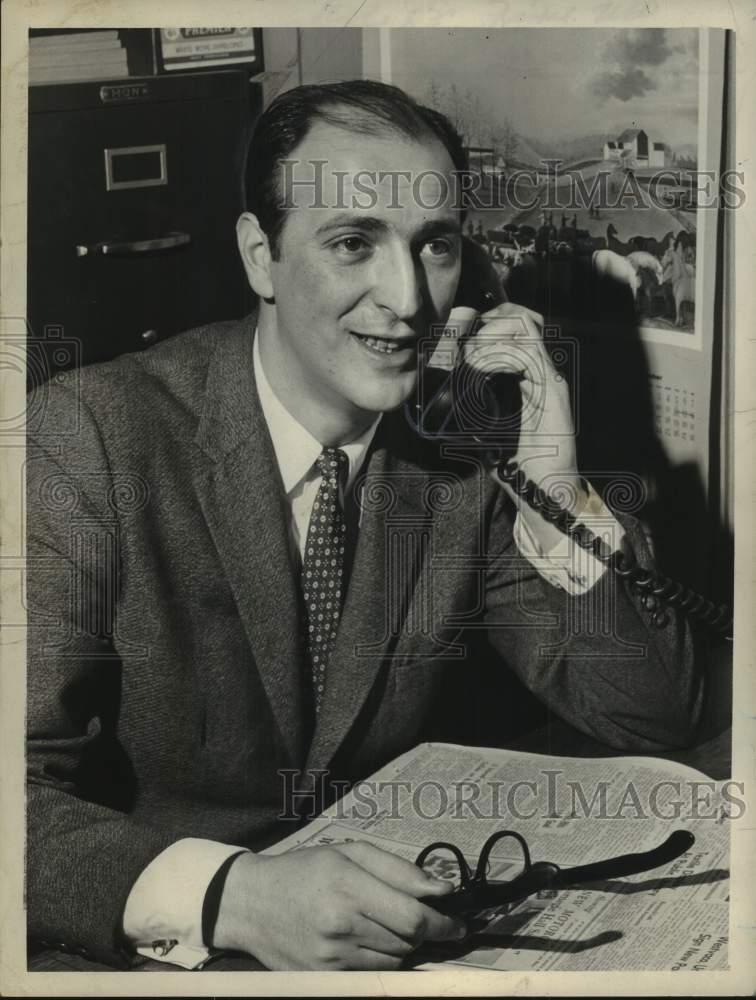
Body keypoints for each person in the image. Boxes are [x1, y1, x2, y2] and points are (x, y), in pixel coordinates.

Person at [26, 80, 702, 973]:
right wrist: (234, 895)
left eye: (435, 247)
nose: (409, 298)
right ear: (260, 257)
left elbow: (652, 713)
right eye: (353, 243)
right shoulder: (87, 441)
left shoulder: (467, 456)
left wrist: (560, 487)